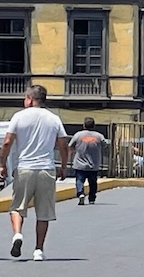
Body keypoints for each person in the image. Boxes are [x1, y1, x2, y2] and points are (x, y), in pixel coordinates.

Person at [0, 85, 68, 261]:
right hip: (46, 168)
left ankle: (17, 234)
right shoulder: (54, 119)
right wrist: (63, 166)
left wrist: (2, 165)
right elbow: (63, 144)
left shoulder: (18, 116)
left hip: (24, 168)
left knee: (17, 207)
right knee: (43, 212)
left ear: (30, 99)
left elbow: (7, 142)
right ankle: (38, 250)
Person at [68, 117, 108, 205]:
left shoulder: (78, 135)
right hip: (93, 165)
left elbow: (70, 145)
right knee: (93, 182)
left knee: (79, 180)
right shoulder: (99, 136)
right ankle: (92, 198)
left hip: (79, 164)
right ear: (94, 125)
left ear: (84, 125)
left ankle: (80, 193)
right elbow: (105, 145)